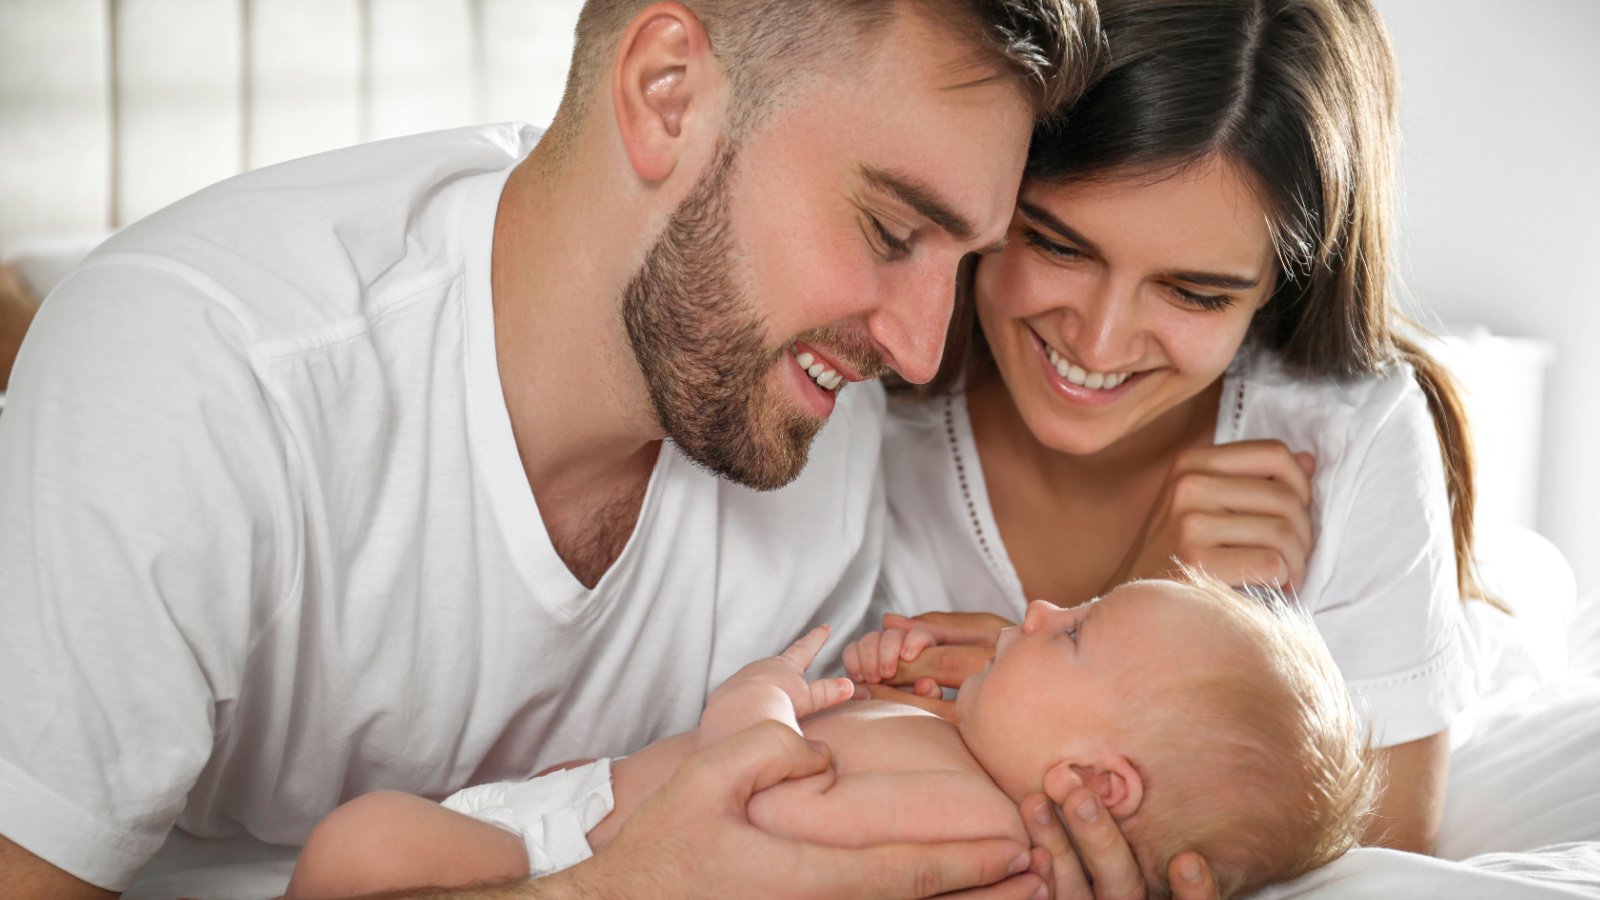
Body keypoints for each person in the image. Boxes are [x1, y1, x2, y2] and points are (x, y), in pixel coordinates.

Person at [0, 2, 1133, 898]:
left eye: (963, 261)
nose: (922, 350)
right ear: (666, 94)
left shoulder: (811, 442)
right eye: (892, 232)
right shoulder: (199, 372)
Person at [860, 0, 1482, 859]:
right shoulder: (865, 392)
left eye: (1195, 293)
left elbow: (1387, 858)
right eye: (1058, 245)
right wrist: (1145, 594)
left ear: (1277, 286)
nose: (1100, 341)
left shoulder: (1349, 436)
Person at [286, 575, 1378, 900]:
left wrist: (763, 696)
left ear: (1097, 779)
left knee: (363, 845)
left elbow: (759, 808)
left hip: (565, 855)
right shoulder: (967, 754)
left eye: (1077, 633)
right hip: (573, 838)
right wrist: (871, 696)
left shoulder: (979, 825)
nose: (1037, 609)